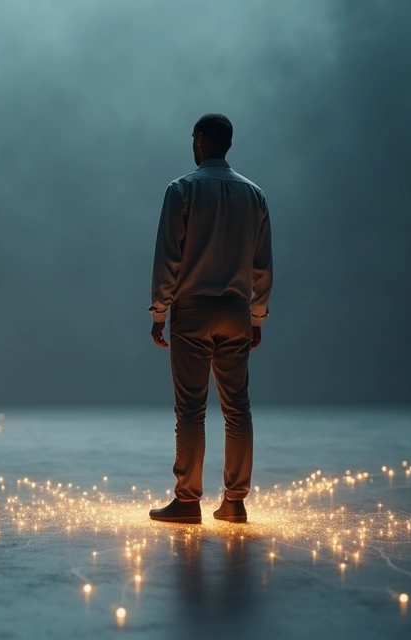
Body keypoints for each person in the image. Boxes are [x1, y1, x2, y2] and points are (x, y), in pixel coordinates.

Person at [147, 114, 273, 525]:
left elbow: (169, 257)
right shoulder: (254, 195)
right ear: (228, 144)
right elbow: (261, 265)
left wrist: (159, 312)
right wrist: (257, 316)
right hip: (236, 311)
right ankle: (235, 502)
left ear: (200, 140)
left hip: (193, 311)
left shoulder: (181, 189)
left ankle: (187, 501)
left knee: (191, 410)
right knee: (238, 408)